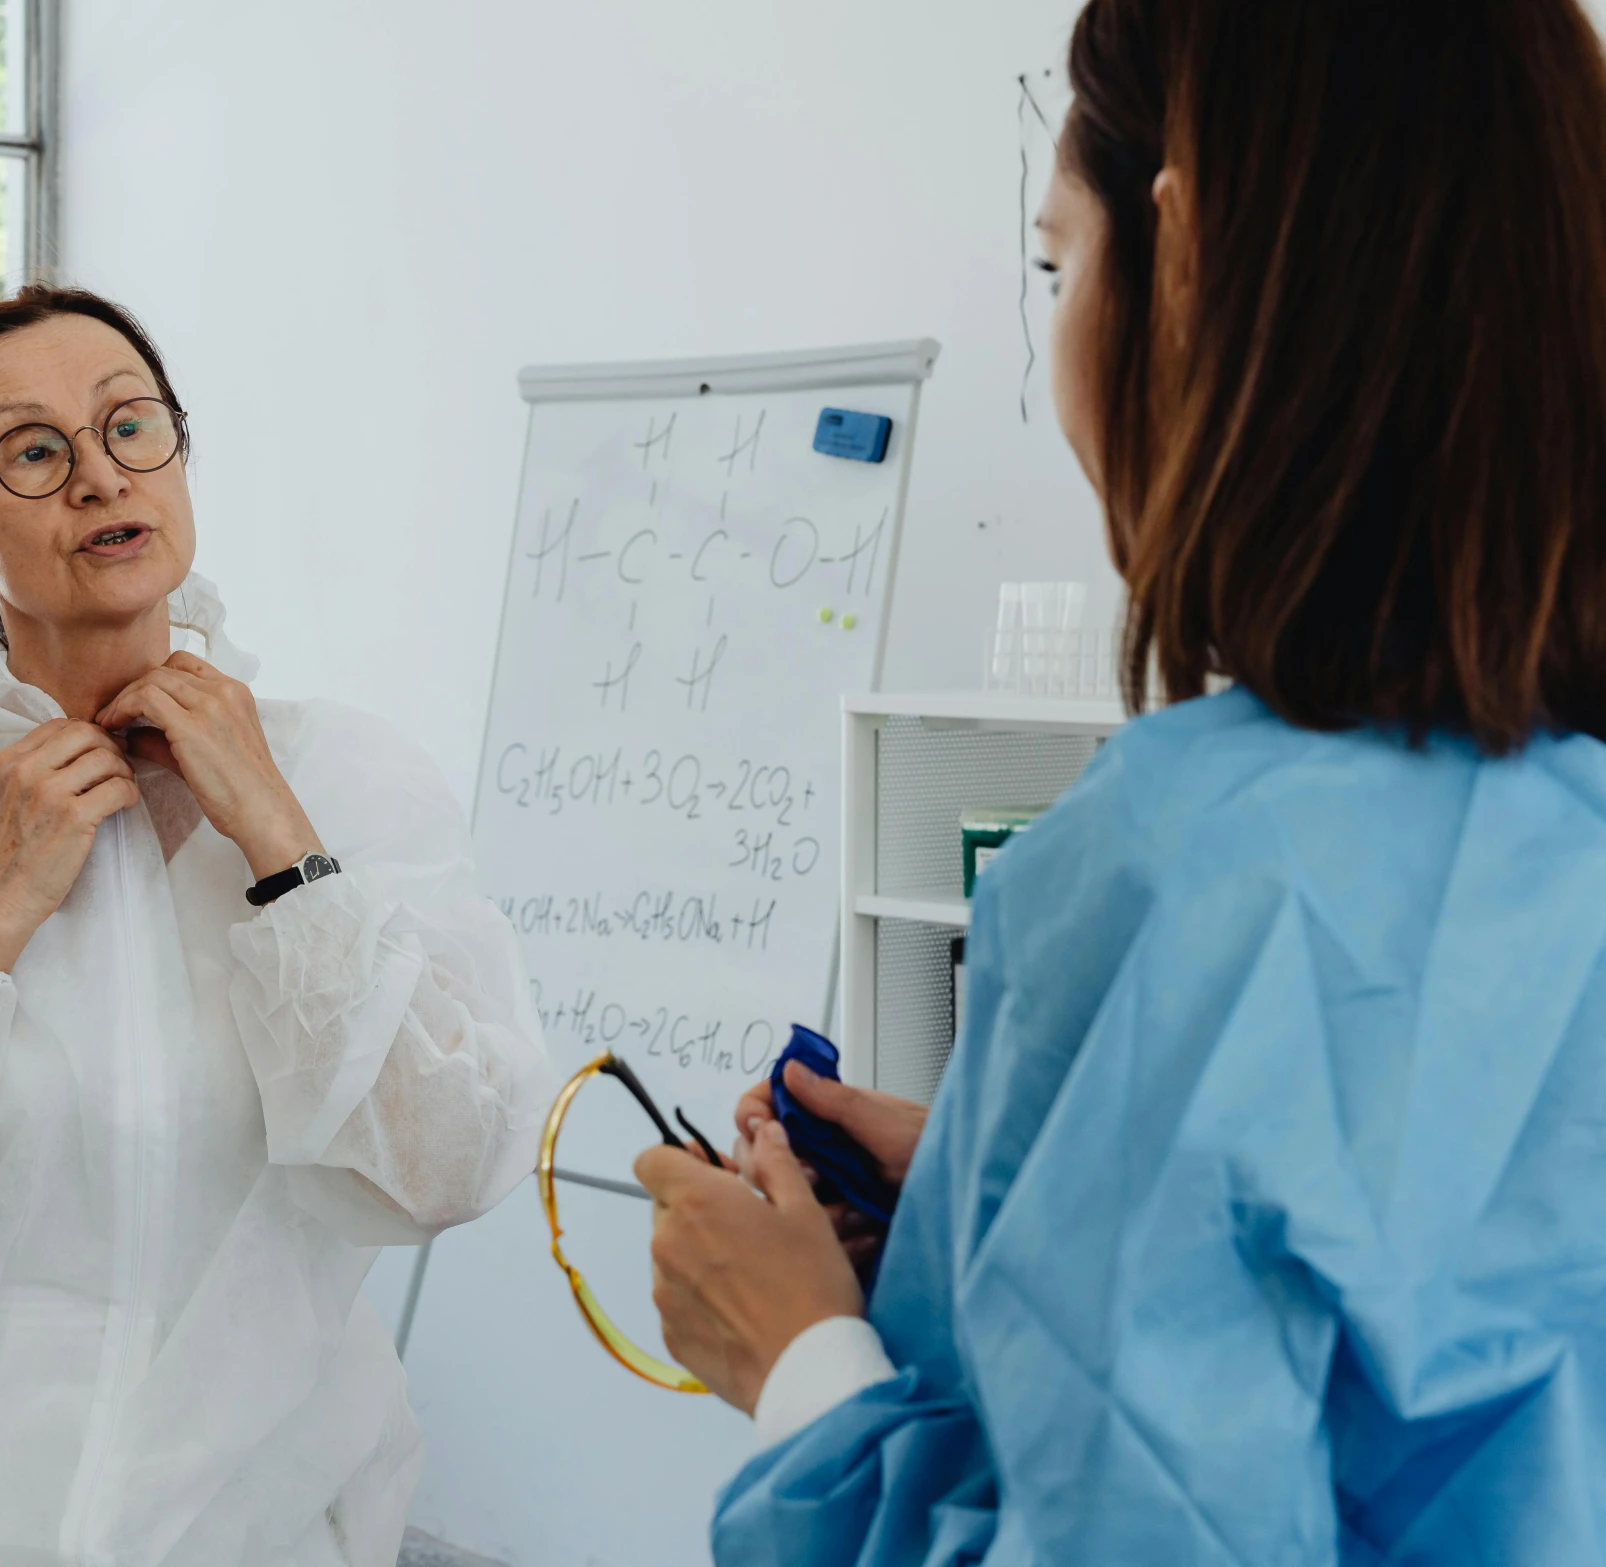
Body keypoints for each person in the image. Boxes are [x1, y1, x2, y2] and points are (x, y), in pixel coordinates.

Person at [635, 0, 1606, 1559]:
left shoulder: (1179, 879)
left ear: (1188, 258)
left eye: (1051, 262)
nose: (1057, 322)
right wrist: (981, 1191)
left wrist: (799, 1361)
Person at [0, 285, 554, 1567]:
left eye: (132, 426)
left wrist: (288, 854)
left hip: (260, 1531)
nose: (98, 475)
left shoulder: (346, 780)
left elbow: (449, 1164)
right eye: (34, 450)